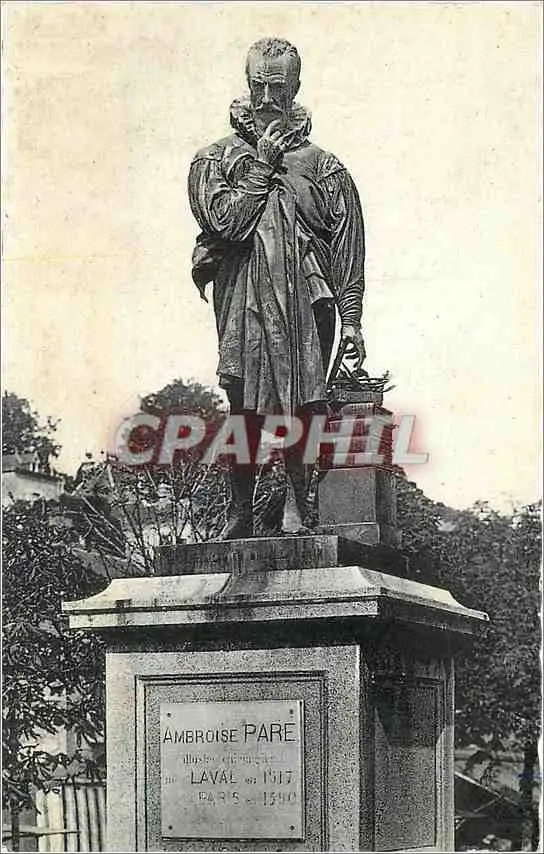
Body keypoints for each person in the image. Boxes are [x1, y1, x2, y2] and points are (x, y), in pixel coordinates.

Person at [188, 37, 366, 537]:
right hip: (243, 299)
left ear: (296, 87)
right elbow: (227, 224)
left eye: (279, 87)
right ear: (247, 83)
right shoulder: (213, 159)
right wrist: (263, 166)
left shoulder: (325, 167)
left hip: (310, 298)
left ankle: (296, 503)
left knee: (306, 401)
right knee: (242, 404)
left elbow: (347, 248)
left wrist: (352, 320)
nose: (267, 98)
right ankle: (239, 511)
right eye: (258, 85)